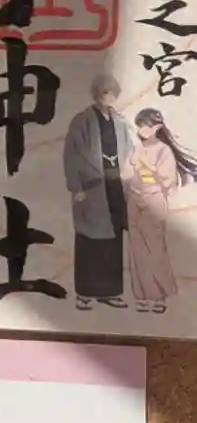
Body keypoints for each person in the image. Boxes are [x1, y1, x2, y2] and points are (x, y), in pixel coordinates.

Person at [63, 75, 135, 309]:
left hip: (115, 187)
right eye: (104, 92)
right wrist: (76, 187)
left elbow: (130, 152)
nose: (108, 97)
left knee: (114, 238)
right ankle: (85, 293)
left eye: (112, 93)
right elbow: (71, 155)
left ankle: (110, 292)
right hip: (92, 188)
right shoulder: (82, 121)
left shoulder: (120, 122)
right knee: (89, 239)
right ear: (96, 94)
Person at [124, 108, 197, 312]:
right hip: (134, 199)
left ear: (156, 127)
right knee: (137, 248)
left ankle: (159, 296)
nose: (142, 130)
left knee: (154, 248)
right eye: (140, 127)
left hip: (153, 200)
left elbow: (168, 180)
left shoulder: (164, 151)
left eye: (145, 126)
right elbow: (126, 172)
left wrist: (148, 170)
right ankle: (142, 294)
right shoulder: (138, 148)